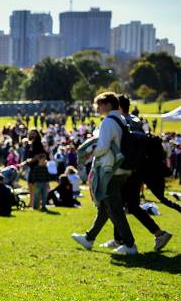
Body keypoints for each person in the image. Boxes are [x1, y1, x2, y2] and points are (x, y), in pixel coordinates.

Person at [100, 94, 172, 251]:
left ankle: (123, 240)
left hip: (128, 169)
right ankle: (155, 234)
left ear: (117, 106)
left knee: (118, 203)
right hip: (139, 168)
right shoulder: (136, 121)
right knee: (130, 205)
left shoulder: (123, 122)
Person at [71, 92, 137, 255]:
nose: (98, 107)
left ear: (108, 104)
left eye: (100, 104)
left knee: (113, 206)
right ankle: (89, 238)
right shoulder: (121, 119)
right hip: (120, 168)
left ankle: (130, 245)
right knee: (105, 206)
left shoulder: (108, 121)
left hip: (110, 169)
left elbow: (103, 147)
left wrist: (90, 152)